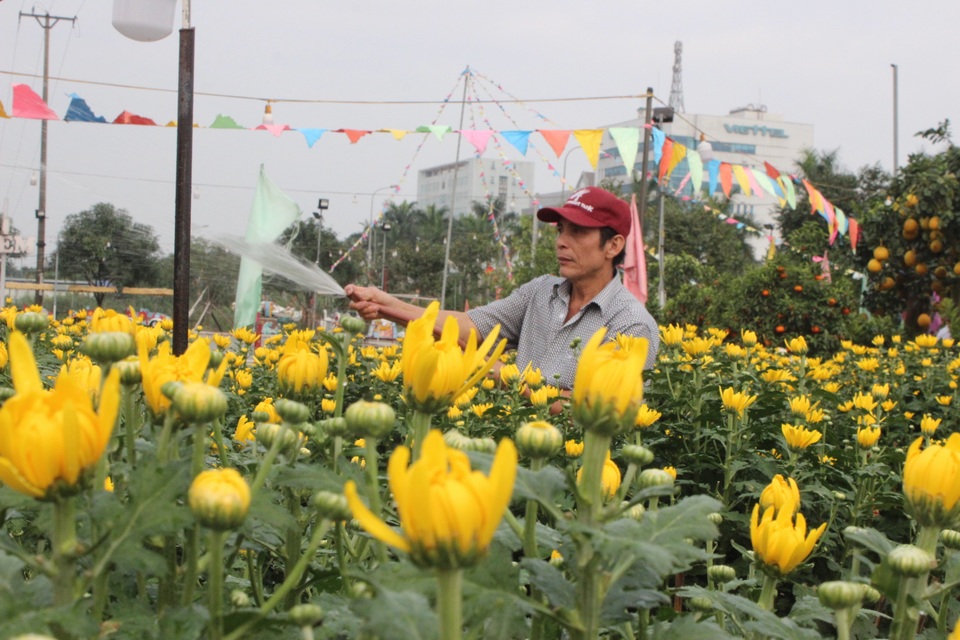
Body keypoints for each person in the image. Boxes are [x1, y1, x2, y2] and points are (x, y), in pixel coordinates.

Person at [346, 186, 660, 390]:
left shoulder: (631, 325)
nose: (561, 241)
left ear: (613, 245)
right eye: (561, 230)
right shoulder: (541, 292)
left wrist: (511, 380)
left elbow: (605, 412)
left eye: (577, 232)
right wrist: (388, 305)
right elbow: (471, 328)